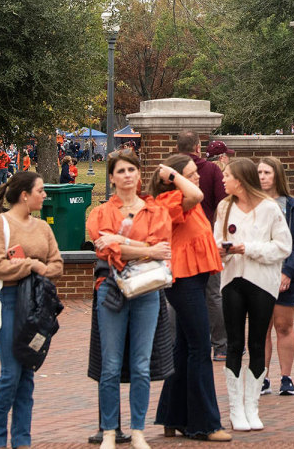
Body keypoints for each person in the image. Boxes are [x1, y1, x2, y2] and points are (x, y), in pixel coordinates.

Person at [87, 149, 173, 449]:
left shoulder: (157, 211)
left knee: (141, 365)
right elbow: (104, 249)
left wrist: (121, 240)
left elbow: (163, 247)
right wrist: (144, 248)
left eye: (131, 170)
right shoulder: (100, 213)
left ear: (139, 175)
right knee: (110, 365)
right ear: (111, 177)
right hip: (111, 291)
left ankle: (138, 430)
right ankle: (109, 431)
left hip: (147, 291)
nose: (127, 176)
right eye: (121, 171)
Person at [150, 154, 231, 442]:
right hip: (183, 282)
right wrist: (173, 176)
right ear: (173, 179)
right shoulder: (171, 200)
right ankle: (204, 424)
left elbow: (193, 236)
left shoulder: (185, 202)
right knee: (200, 347)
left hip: (195, 278)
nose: (196, 177)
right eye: (190, 173)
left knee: (184, 349)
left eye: (195, 172)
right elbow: (195, 193)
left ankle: (173, 417)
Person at [0, 171, 63, 449]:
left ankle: (22, 441)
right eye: (41, 191)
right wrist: (30, 265)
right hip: (8, 299)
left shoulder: (43, 227)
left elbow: (57, 265)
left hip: (37, 303)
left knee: (27, 372)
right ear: (24, 195)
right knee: (11, 373)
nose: (45, 195)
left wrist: (40, 269)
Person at [215, 158, 292, 432]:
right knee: (235, 344)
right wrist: (223, 251)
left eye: (227, 175)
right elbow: (215, 243)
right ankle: (236, 408)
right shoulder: (224, 208)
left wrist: (248, 248)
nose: (223, 179)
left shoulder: (270, 209)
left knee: (257, 343)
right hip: (232, 280)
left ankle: (252, 406)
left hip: (262, 282)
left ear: (240, 179)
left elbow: (283, 247)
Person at [258, 157, 294, 397]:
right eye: (259, 173)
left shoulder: (292, 206)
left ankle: (286, 377)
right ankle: (262, 377)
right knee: (261, 327)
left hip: (285, 274)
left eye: (267, 172)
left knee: (283, 325)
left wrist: (288, 271)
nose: (263, 177)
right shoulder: (250, 204)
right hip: (258, 274)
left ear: (277, 175)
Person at [179, 131, 229, 363]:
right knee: (213, 293)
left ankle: (178, 342)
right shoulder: (211, 170)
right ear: (198, 147)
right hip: (207, 235)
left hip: (180, 238)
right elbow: (223, 204)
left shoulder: (173, 171)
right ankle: (220, 346)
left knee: (178, 292)